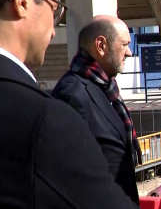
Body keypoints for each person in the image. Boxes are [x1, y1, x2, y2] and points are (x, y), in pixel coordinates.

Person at [0, 0, 139, 208]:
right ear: (22, 0)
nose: (54, 30)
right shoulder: (50, 116)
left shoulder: (105, 91)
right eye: (54, 9)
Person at [51, 14, 142, 205]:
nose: (129, 52)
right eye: (124, 44)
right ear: (101, 46)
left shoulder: (106, 90)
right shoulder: (72, 95)